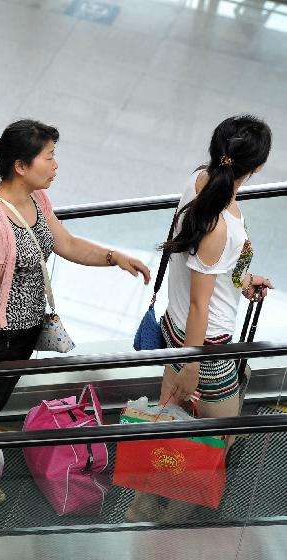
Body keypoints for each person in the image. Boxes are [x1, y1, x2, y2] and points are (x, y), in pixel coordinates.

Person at [0, 119, 151, 531]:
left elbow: (65, 242)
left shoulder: (36, 199)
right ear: (20, 165)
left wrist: (114, 257)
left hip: (19, 336)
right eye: (49, 157)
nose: (56, 166)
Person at [126, 115, 273, 524]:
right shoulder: (221, 225)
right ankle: (170, 519)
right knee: (211, 445)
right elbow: (200, 305)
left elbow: (203, 275)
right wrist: (192, 364)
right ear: (258, 166)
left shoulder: (199, 182)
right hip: (206, 346)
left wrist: (242, 280)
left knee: (167, 423)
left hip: (177, 329)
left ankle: (139, 507)